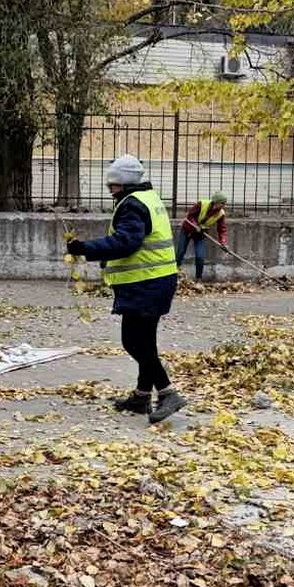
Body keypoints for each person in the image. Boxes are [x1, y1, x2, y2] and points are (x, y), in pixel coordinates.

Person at [67, 154, 187, 422]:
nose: (110, 189)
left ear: (124, 184)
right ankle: (142, 397)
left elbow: (126, 242)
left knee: (133, 341)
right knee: (146, 341)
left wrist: (85, 249)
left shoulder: (132, 205)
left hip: (145, 283)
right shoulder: (150, 198)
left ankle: (167, 393)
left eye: (113, 185)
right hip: (158, 279)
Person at [176, 191, 228, 281]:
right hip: (187, 229)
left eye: (225, 203)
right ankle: (174, 273)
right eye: (222, 203)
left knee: (200, 256)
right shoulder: (202, 204)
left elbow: (222, 229)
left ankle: (198, 279)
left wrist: (223, 242)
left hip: (200, 234)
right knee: (180, 252)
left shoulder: (221, 214)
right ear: (216, 202)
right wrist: (195, 225)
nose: (224, 205)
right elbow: (190, 216)